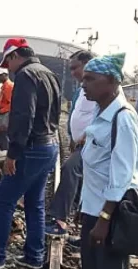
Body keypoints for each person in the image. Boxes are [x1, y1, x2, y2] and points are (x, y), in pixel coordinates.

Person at [0, 37, 59, 269]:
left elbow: (23, 117)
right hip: (49, 145)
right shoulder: (49, 73)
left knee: (3, 202)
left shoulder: (26, 76)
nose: (8, 69)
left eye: (8, 64)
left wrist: (13, 154)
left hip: (31, 148)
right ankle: (34, 255)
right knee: (34, 202)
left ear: (15, 55)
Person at [76, 53, 138, 269]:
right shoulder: (102, 113)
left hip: (109, 212)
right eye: (84, 77)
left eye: (91, 79)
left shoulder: (122, 118)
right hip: (93, 209)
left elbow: (122, 175)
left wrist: (104, 218)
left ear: (113, 82)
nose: (84, 83)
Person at [46, 50, 96, 237]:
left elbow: (103, 113)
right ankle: (86, 234)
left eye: (75, 67)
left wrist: (85, 135)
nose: (73, 72)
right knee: (85, 184)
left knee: (70, 169)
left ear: (87, 64)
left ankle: (59, 220)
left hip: (93, 143)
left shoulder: (100, 85)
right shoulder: (82, 89)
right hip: (83, 143)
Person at [0, 67, 14, 151]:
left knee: (4, 135)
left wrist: (1, 110)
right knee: (2, 135)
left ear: (6, 75)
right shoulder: (5, 86)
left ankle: (5, 154)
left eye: (0, 75)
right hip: (3, 114)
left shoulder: (9, 86)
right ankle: (4, 152)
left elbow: (12, 103)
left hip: (6, 115)